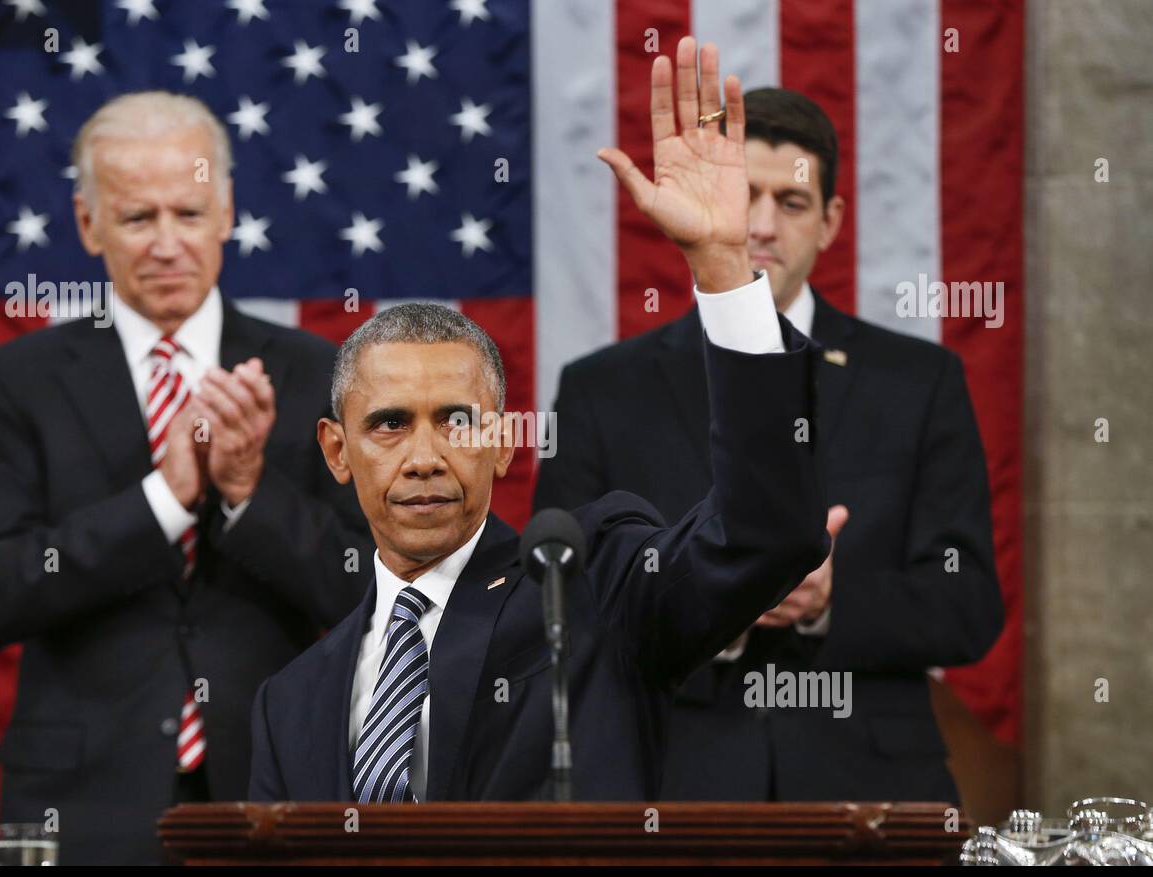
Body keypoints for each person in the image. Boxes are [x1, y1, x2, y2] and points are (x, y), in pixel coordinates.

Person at [250, 38, 828, 803]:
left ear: (499, 439)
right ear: (336, 449)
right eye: (389, 425)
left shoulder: (594, 598)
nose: (424, 457)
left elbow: (765, 537)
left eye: (456, 422)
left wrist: (722, 265)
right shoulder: (289, 700)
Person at [533, 86, 1004, 802]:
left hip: (871, 788)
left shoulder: (920, 380)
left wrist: (828, 597)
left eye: (790, 202)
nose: (758, 224)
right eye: (742, 194)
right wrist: (717, 596)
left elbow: (967, 604)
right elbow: (561, 603)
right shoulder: (603, 388)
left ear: (829, 222)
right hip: (670, 782)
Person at [0, 92, 372, 863]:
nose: (167, 244)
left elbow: (367, 596)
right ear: (88, 225)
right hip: (81, 807)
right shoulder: (18, 381)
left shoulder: (318, 374)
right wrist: (164, 500)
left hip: (275, 790)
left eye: (188, 212)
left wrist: (248, 494)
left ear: (227, 213)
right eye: (139, 219)